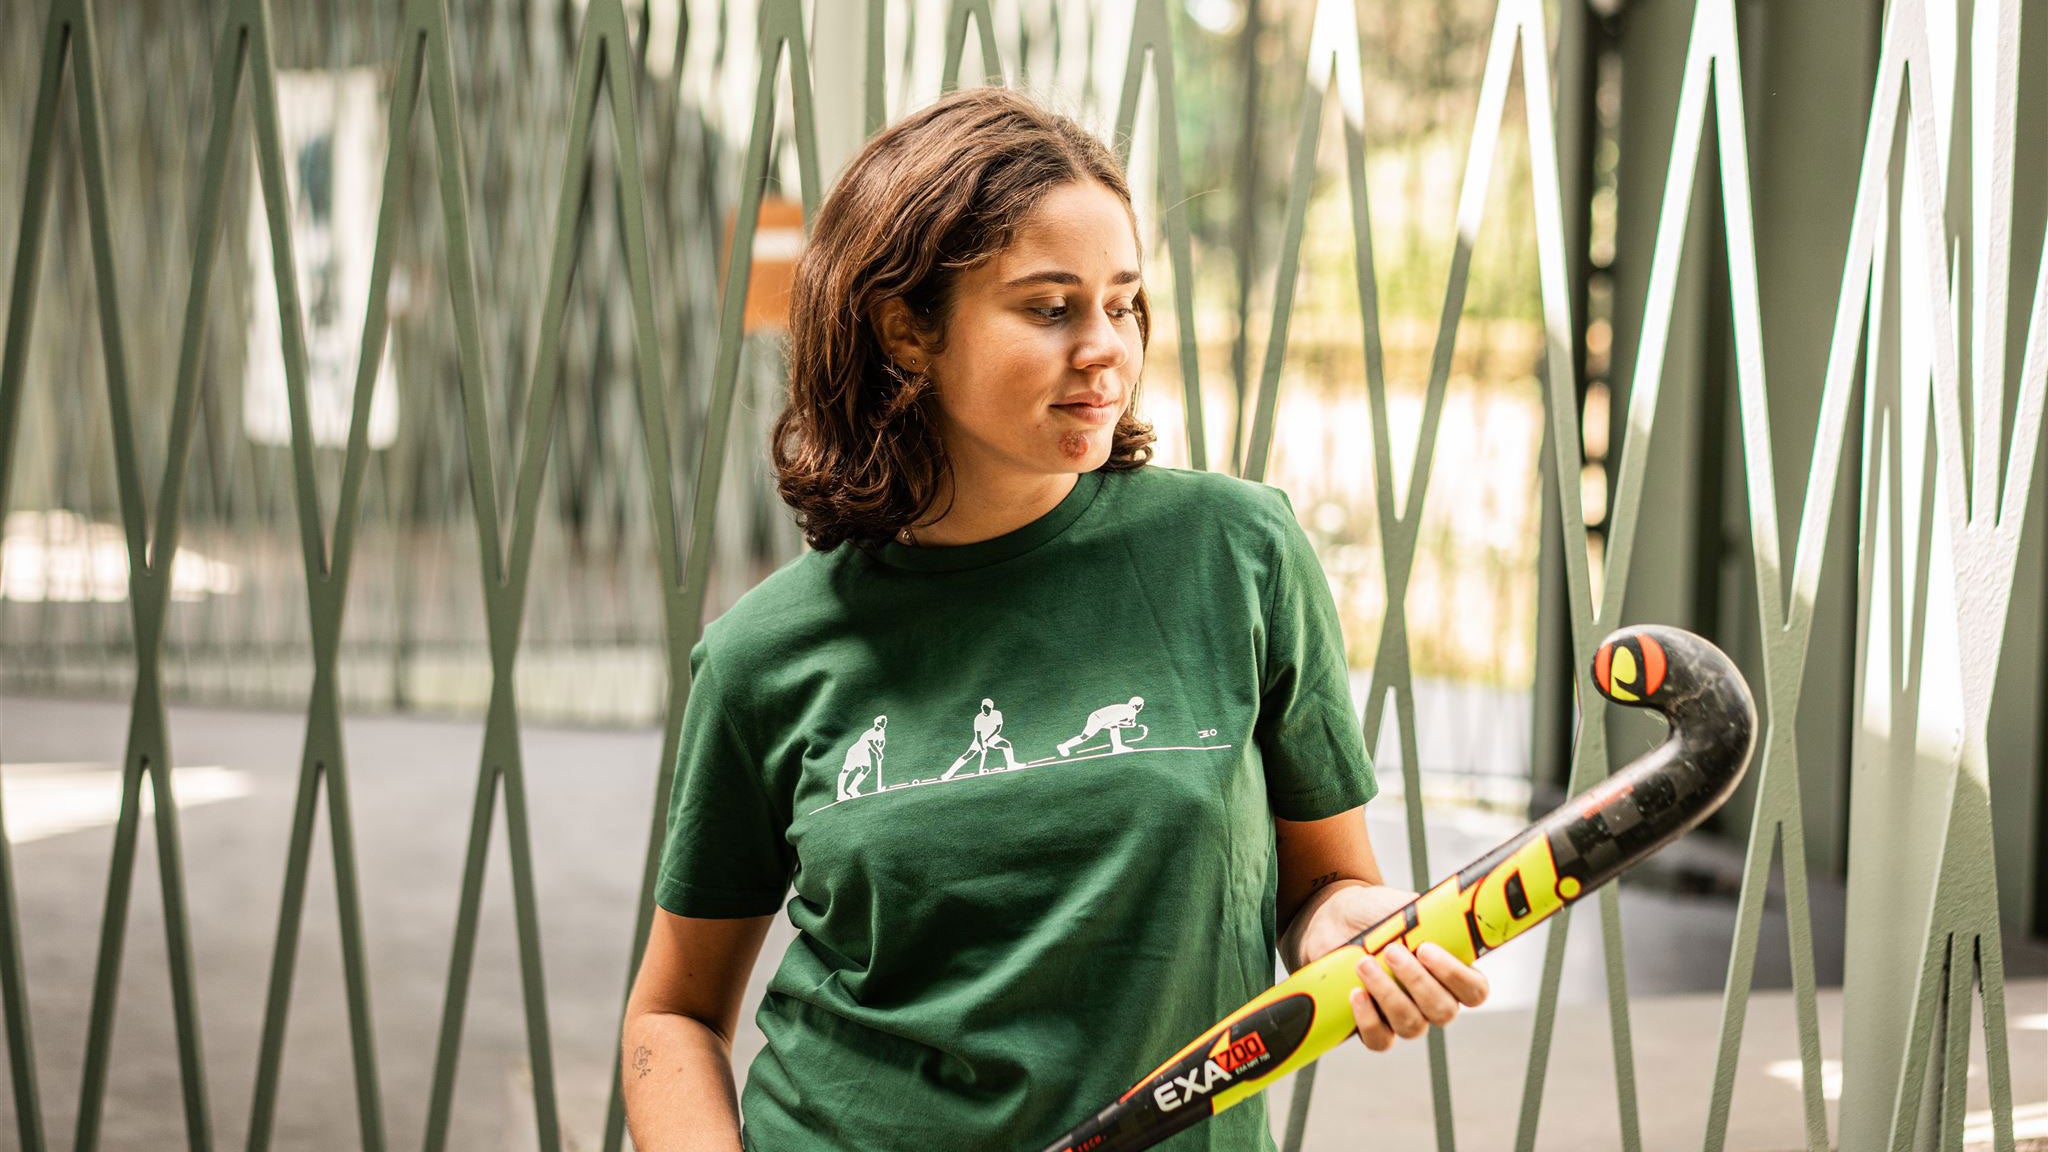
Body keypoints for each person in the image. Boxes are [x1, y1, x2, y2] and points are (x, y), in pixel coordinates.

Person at [621, 87, 1488, 1152]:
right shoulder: (766, 652)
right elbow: (671, 1015)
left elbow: (1323, 885)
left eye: (1122, 303)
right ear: (907, 328)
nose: (1105, 350)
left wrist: (1340, 932)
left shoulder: (1235, 553)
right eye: (1048, 307)